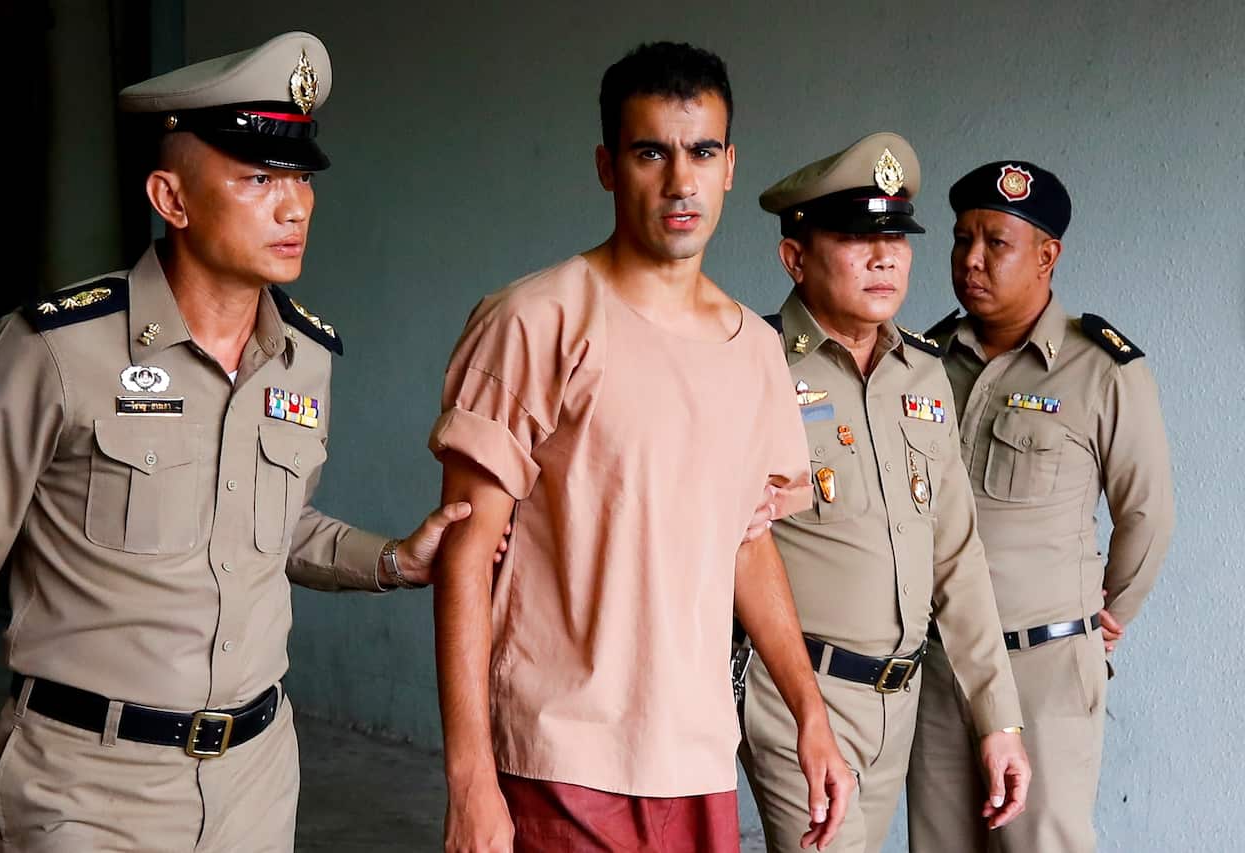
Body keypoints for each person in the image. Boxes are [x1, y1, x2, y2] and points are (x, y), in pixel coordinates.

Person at [0, 31, 491, 852]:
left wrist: (394, 558)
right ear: (171, 200)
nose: (294, 205)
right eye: (257, 178)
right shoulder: (54, 351)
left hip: (254, 784)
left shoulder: (305, 358)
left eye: (301, 177)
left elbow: (272, 529)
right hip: (85, 793)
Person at [428, 42, 855, 853]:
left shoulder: (756, 352)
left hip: (697, 759)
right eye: (650, 151)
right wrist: (470, 778)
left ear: (730, 165)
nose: (679, 180)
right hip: (561, 756)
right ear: (606, 165)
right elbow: (463, 549)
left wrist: (810, 712)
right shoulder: (535, 321)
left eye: (701, 152)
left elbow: (747, 540)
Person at [739, 133, 1030, 853]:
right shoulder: (755, 366)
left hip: (896, 699)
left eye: (897, 237)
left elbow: (956, 552)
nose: (884, 257)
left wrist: (999, 718)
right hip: (797, 691)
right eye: (855, 237)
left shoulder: (921, 373)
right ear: (795, 257)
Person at [906, 160, 1175, 853]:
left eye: (996, 242)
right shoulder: (924, 362)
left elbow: (1147, 512)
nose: (971, 260)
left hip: (1045, 671)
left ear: (1047, 255)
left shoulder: (1101, 369)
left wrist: (1107, 614)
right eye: (963, 239)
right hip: (942, 668)